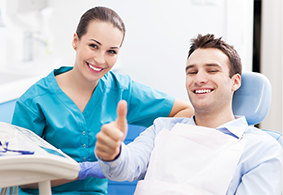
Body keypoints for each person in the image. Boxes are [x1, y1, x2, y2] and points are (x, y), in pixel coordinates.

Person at [11, 6, 194, 195]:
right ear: (76, 41)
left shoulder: (121, 90)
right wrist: (82, 171)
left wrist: (135, 153)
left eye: (111, 51)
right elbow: (20, 177)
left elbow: (186, 112)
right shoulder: (35, 102)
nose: (100, 59)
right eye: (93, 46)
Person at [95, 34, 283, 195]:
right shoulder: (163, 128)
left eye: (212, 70)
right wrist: (113, 153)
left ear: (235, 82)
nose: (199, 79)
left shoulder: (261, 150)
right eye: (192, 72)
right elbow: (125, 168)